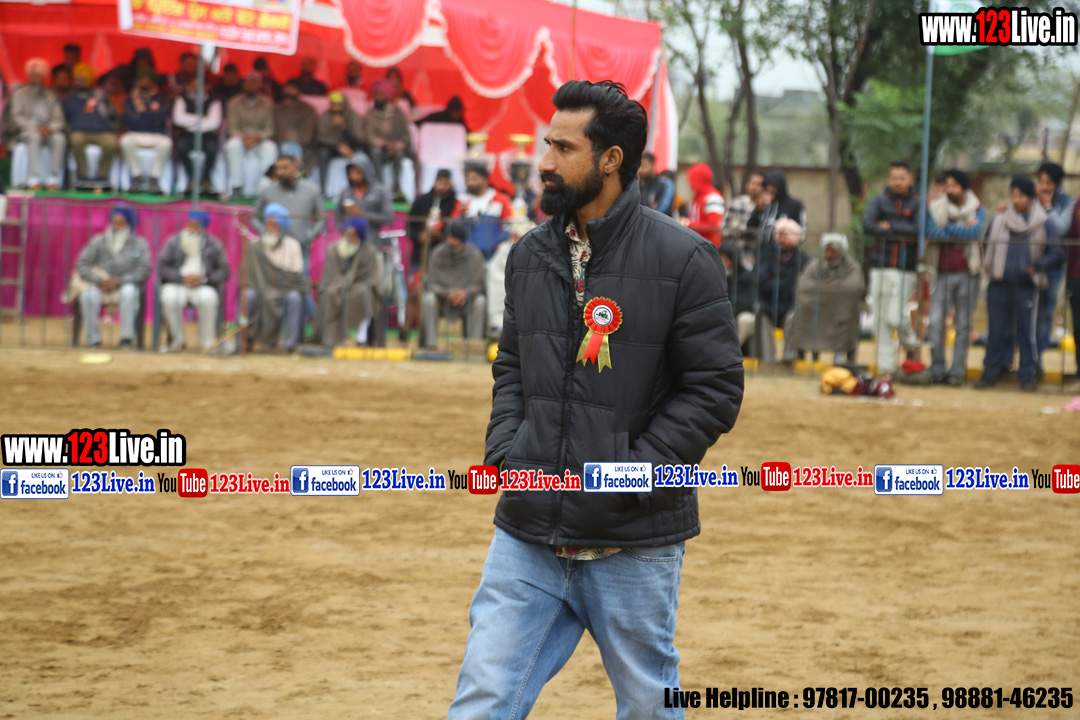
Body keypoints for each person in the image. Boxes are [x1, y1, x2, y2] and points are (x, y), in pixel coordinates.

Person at [448, 79, 743, 720]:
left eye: (563, 148)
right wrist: (508, 453)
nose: (544, 162)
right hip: (528, 534)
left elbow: (715, 388)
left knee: (648, 708)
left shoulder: (685, 258)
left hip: (633, 540)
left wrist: (633, 474)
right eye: (547, 145)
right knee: (482, 701)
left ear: (611, 159)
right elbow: (511, 366)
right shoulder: (528, 255)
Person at [976, 176, 1062, 391]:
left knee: (1026, 333)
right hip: (999, 283)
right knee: (995, 331)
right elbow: (986, 245)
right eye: (1013, 195)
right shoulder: (1000, 218)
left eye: (1021, 195)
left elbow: (1057, 252)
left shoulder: (1043, 222)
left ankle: (1026, 376)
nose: (1016, 200)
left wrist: (1037, 265)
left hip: (1027, 285)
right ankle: (990, 373)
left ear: (1030, 197)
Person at [923, 168, 986, 386]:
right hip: (941, 274)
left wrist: (947, 227)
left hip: (968, 274)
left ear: (963, 188)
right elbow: (932, 232)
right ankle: (938, 368)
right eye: (947, 186)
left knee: (963, 325)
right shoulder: (935, 208)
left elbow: (974, 233)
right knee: (935, 322)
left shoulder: (977, 208)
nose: (949, 189)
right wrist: (960, 228)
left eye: (954, 186)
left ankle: (957, 372)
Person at [862, 161, 922, 380]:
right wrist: (900, 230)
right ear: (889, 179)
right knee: (880, 319)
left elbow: (918, 230)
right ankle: (886, 368)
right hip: (879, 266)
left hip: (906, 269)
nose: (897, 182)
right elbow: (868, 225)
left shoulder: (918, 202)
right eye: (893, 178)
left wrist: (889, 226)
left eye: (901, 178)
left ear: (910, 179)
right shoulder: (879, 200)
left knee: (894, 318)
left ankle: (912, 343)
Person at [74, 206, 150, 348]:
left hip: (124, 284)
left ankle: (126, 339)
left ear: (130, 224)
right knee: (88, 296)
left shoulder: (140, 244)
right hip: (99, 284)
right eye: (114, 222)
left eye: (121, 223)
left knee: (129, 293)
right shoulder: (98, 241)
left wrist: (121, 281)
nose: (116, 227)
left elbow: (144, 270)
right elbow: (82, 264)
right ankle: (93, 340)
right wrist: (98, 279)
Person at [158, 210, 230, 351]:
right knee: (170, 298)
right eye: (189, 224)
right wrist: (180, 277)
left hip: (203, 285)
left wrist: (204, 279)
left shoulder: (214, 244)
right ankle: (178, 341)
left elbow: (224, 271)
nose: (191, 229)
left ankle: (209, 343)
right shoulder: (174, 242)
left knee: (209, 299)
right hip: (177, 284)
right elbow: (162, 266)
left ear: (203, 227)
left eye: (196, 226)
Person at [789, 232, 865, 364]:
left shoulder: (852, 267)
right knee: (797, 316)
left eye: (833, 251)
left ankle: (841, 355)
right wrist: (832, 291)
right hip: (817, 309)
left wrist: (822, 290)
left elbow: (853, 288)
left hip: (841, 311)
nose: (828, 255)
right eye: (826, 251)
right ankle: (800, 354)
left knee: (849, 318)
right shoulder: (815, 266)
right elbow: (804, 286)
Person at [401, 169, 458, 343]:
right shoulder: (421, 200)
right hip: (420, 256)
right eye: (439, 182)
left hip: (443, 259)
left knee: (433, 296)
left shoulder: (455, 203)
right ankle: (406, 332)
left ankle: (428, 335)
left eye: (445, 183)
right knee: (415, 293)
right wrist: (420, 236)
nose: (441, 187)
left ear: (450, 184)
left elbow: (457, 230)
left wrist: (441, 235)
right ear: (434, 182)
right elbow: (410, 226)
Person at [313, 217, 386, 348]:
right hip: (336, 286)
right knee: (329, 294)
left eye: (352, 234)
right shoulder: (333, 249)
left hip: (358, 287)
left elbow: (372, 278)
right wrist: (343, 283)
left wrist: (352, 282)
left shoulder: (369, 251)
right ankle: (329, 339)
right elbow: (330, 276)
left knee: (366, 294)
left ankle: (361, 338)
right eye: (346, 233)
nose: (348, 237)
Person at [244, 203, 307, 352]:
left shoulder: (293, 245)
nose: (270, 228)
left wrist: (276, 278)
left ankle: (290, 344)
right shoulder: (255, 246)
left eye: (274, 225)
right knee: (248, 295)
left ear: (282, 227)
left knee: (295, 298)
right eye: (268, 224)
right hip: (261, 290)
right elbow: (249, 276)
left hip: (285, 290)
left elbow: (295, 276)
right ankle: (245, 340)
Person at [252, 154, 325, 282]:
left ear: (295, 168)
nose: (280, 172)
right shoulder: (267, 191)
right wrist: (265, 233)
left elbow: (322, 219)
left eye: (285, 168)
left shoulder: (312, 190)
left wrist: (309, 235)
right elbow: (254, 217)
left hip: (301, 250)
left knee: (300, 286)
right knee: (271, 287)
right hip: (273, 250)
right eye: (278, 168)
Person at [1034, 161, 1074, 376]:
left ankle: (1038, 359)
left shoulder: (1067, 202)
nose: (1043, 186)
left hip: (1053, 266)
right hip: (1029, 265)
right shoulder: (1029, 198)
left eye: (1048, 182)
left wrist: (1048, 207)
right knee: (1026, 312)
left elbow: (1061, 228)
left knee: (1045, 313)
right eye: (1040, 181)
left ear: (1056, 184)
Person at [420, 220, 485, 346]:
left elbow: (479, 285)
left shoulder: (474, 255)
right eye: (449, 238)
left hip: (466, 301)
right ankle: (430, 345)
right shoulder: (438, 253)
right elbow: (432, 283)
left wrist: (465, 293)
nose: (450, 242)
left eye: (455, 239)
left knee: (480, 301)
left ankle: (474, 346)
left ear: (462, 241)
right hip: (442, 301)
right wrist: (447, 293)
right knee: (428, 299)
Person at [6, 58, 65, 190]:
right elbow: (16, 117)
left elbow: (58, 119)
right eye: (32, 76)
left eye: (37, 76)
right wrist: (35, 128)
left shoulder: (50, 95)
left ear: (44, 78)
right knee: (34, 137)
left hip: (48, 131)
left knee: (59, 139)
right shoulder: (20, 93)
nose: (34, 79)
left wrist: (49, 129)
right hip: (27, 130)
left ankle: (53, 177)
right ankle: (34, 178)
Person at [756, 217, 808, 363]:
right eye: (779, 235)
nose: (782, 239)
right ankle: (768, 360)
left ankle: (789, 357)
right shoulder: (768, 256)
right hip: (769, 304)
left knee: (794, 316)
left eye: (786, 235)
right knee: (761, 316)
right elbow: (761, 281)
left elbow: (798, 285)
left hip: (791, 304)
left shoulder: (802, 260)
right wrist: (783, 284)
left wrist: (776, 283)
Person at [64, 64, 120, 190]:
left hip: (101, 132)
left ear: (90, 80)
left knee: (111, 143)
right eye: (77, 80)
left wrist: (113, 128)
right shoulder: (69, 99)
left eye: (83, 80)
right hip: (79, 132)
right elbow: (65, 119)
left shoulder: (101, 96)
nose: (79, 83)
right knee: (76, 140)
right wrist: (69, 130)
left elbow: (113, 115)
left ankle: (102, 177)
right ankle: (83, 176)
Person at [225, 72, 277, 198]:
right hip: (240, 138)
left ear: (259, 85)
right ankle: (237, 186)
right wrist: (244, 138)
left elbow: (270, 128)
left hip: (260, 139)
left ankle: (264, 189)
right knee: (232, 145)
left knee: (270, 147)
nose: (250, 85)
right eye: (247, 82)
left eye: (254, 82)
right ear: (243, 84)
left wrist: (257, 137)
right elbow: (232, 127)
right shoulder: (233, 102)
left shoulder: (268, 103)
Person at [120, 70, 173, 193]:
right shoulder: (130, 99)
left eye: (147, 80)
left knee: (166, 143)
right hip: (135, 133)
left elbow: (162, 116)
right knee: (125, 141)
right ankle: (136, 176)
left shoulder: (161, 98)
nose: (144, 83)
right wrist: (147, 112)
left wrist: (142, 112)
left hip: (157, 135)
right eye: (141, 80)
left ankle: (154, 177)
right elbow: (130, 119)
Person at [173, 76, 223, 196]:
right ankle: (192, 178)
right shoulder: (181, 99)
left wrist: (190, 124)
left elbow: (214, 123)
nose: (196, 88)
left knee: (212, 149)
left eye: (199, 85)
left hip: (207, 135)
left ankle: (206, 179)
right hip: (187, 135)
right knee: (180, 147)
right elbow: (178, 119)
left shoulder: (214, 100)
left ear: (206, 86)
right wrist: (203, 119)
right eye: (194, 85)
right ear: (189, 86)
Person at [486, 218, 535, 339]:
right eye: (514, 235)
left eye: (517, 236)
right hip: (501, 281)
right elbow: (495, 270)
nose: (514, 238)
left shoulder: (532, 250)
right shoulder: (504, 248)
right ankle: (498, 324)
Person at [363, 79, 412, 196]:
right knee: (376, 152)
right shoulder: (370, 114)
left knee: (398, 153)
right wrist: (384, 144)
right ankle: (379, 186)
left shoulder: (397, 114)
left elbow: (406, 137)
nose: (377, 97)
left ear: (387, 95)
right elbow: (368, 136)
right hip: (379, 149)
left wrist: (396, 145)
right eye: (375, 94)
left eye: (380, 94)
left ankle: (396, 187)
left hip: (395, 148)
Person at [317, 92, 367, 194]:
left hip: (351, 147)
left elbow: (359, 141)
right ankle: (323, 189)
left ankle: (359, 189)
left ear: (344, 105)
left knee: (360, 154)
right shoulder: (325, 116)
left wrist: (344, 128)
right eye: (333, 105)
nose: (335, 108)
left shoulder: (353, 116)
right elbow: (321, 139)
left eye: (338, 105)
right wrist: (337, 146)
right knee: (323, 153)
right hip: (332, 148)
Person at [334, 156, 394, 238]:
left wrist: (362, 214)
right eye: (351, 173)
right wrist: (343, 230)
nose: (354, 177)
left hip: (373, 240)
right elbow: (337, 216)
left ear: (366, 172)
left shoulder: (380, 191)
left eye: (358, 173)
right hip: (350, 240)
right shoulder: (346, 192)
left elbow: (388, 219)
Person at [272, 79, 318, 174]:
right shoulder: (277, 109)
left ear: (298, 90)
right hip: (278, 144)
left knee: (290, 147)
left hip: (304, 147)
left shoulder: (307, 109)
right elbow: (273, 131)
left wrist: (290, 137)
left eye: (292, 88)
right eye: (287, 87)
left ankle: (293, 175)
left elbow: (307, 136)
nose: (289, 90)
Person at [717, 243, 757, 352]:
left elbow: (748, 302)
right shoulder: (715, 275)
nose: (722, 262)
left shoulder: (746, 277)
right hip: (720, 312)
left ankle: (730, 350)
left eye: (725, 259)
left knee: (746, 319)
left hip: (738, 313)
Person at [722, 169, 765, 257]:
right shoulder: (736, 204)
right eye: (752, 183)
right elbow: (724, 229)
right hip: (734, 254)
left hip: (754, 255)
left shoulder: (766, 207)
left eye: (758, 184)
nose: (754, 187)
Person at [757, 169, 806, 241]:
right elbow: (751, 226)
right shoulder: (765, 204)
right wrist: (758, 209)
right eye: (767, 187)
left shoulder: (795, 205)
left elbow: (802, 232)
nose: (770, 190)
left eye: (773, 187)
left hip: (784, 246)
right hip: (762, 247)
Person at [685, 162, 724, 247]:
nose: (689, 182)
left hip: (708, 246)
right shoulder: (697, 197)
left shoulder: (713, 197)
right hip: (698, 244)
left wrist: (688, 224)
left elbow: (713, 227)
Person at [637, 151, 674, 216]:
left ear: (653, 165)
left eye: (644, 166)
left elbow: (663, 208)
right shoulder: (637, 185)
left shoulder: (666, 184)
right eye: (639, 166)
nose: (640, 170)